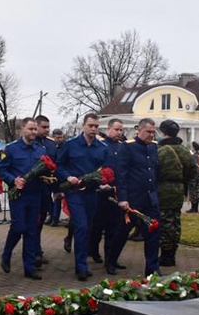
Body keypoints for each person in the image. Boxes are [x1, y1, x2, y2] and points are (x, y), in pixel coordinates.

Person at [57, 113, 109, 280]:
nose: (93, 129)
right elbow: (59, 165)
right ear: (83, 126)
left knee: (88, 228)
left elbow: (105, 169)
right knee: (81, 226)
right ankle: (81, 266)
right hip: (74, 192)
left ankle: (82, 261)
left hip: (91, 193)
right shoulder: (71, 145)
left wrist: (103, 181)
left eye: (96, 126)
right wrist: (67, 177)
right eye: (90, 126)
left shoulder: (102, 148)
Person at [0, 117, 45, 279]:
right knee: (19, 227)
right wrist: (13, 180)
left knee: (32, 231)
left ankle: (29, 267)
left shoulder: (40, 150)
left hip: (35, 194)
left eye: (35, 129)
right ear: (22, 129)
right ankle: (7, 253)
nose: (33, 132)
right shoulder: (11, 149)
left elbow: (45, 171)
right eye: (30, 129)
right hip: (18, 195)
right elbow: (1, 170)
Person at [113, 118, 161, 276]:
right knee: (123, 231)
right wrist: (123, 198)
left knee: (153, 232)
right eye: (148, 132)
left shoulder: (154, 147)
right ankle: (111, 260)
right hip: (133, 199)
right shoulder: (128, 147)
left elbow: (153, 171)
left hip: (150, 199)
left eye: (153, 132)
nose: (151, 135)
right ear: (139, 130)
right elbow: (121, 174)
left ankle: (152, 268)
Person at [156, 120, 197, 268]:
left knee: (165, 222)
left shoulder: (159, 150)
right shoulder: (184, 151)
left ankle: (166, 255)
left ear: (162, 132)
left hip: (162, 190)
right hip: (179, 190)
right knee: (175, 221)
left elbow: (153, 171)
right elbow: (193, 172)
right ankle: (172, 252)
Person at [89, 119, 125, 270]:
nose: (119, 132)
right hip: (101, 191)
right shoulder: (101, 146)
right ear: (109, 129)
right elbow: (94, 167)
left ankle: (110, 259)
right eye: (116, 129)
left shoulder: (123, 147)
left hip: (116, 191)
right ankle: (93, 251)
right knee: (97, 225)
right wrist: (99, 182)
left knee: (114, 226)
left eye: (121, 130)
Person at [33, 115, 57, 267]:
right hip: (33, 187)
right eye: (44, 127)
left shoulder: (51, 144)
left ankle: (36, 250)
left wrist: (57, 189)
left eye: (48, 127)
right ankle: (34, 252)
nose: (47, 130)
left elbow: (56, 165)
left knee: (40, 221)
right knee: (32, 223)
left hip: (46, 189)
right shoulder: (31, 143)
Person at [48, 129, 66, 226]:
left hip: (62, 176)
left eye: (61, 137)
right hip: (53, 175)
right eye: (57, 137)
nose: (60, 139)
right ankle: (53, 216)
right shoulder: (52, 147)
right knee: (55, 197)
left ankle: (55, 218)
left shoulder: (65, 147)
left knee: (59, 197)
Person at [187, 141, 199, 213]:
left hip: (194, 175)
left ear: (194, 147)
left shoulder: (194, 156)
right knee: (196, 191)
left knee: (193, 191)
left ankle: (194, 208)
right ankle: (195, 208)